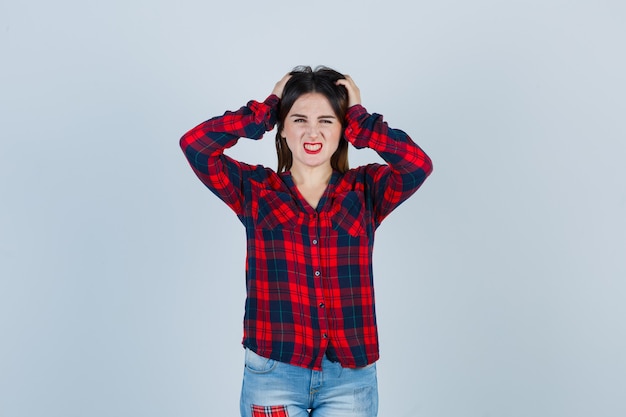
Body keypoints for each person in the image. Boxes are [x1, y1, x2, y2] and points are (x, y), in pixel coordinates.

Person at [180, 66, 433, 417]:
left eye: (327, 121)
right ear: (282, 129)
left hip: (350, 379)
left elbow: (417, 165)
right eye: (299, 119)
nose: (312, 131)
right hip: (273, 374)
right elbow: (195, 146)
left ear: (342, 130)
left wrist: (360, 119)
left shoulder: (366, 190)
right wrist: (265, 110)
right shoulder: (254, 190)